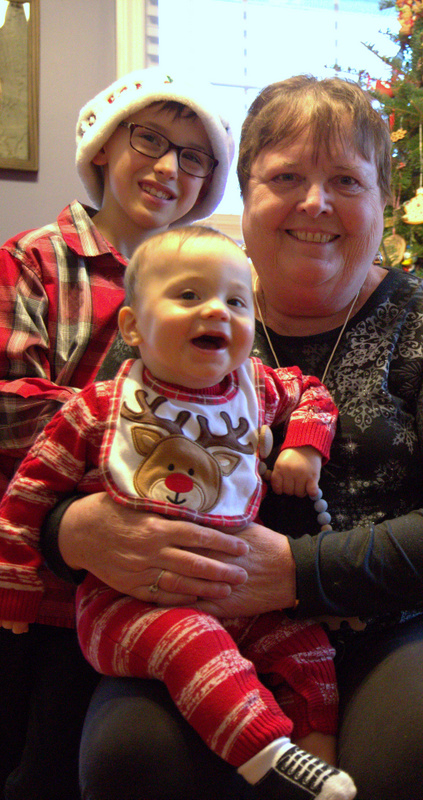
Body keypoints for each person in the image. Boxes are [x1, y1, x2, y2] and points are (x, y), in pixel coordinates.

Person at [44, 74, 423, 800]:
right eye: (286, 177)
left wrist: (297, 574)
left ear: (383, 201)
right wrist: (71, 532)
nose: (314, 202)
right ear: (245, 197)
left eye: (346, 180)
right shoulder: (179, 312)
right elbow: (63, 467)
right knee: (134, 757)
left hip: (407, 619)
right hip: (198, 629)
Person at [0, 225, 355, 800]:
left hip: (236, 596)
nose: (216, 310)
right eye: (189, 295)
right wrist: (15, 588)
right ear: (133, 326)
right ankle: (268, 754)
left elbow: (312, 392)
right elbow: (28, 494)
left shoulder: (255, 389)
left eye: (236, 302)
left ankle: (316, 760)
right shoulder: (99, 408)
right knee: (192, 641)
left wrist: (303, 446)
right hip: (126, 608)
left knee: (307, 647)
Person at [0, 68, 235, 800]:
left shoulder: (210, 289)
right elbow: (8, 406)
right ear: (103, 147)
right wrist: (138, 425)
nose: (170, 168)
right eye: (150, 140)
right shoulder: (33, 261)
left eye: (194, 156)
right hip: (38, 592)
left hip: (149, 594)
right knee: (31, 763)